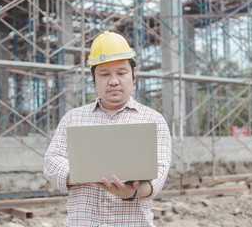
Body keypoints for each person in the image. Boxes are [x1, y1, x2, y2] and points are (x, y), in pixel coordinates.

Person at [44, 31, 171, 227]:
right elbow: (51, 163)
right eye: (104, 74)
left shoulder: (153, 120)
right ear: (93, 77)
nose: (113, 81)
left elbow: (159, 174)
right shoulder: (73, 119)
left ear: (134, 74)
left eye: (121, 73)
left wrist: (133, 192)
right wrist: (83, 172)